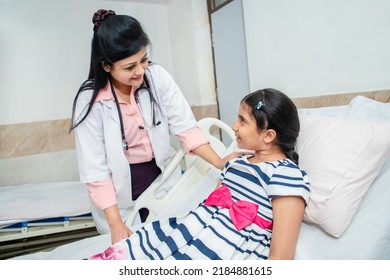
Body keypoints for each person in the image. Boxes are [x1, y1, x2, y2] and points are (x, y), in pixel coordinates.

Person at [70, 9, 239, 244]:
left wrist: (221, 162)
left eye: (143, 59)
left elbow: (187, 128)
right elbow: (95, 171)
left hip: (162, 181)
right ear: (106, 66)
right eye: (129, 67)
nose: (140, 71)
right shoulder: (90, 100)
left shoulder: (156, 77)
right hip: (118, 196)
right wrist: (116, 224)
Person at [86, 88, 311, 260]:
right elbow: (208, 209)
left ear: (269, 135)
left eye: (242, 121)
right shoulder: (235, 162)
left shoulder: (286, 177)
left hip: (227, 252)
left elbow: (280, 257)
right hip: (190, 235)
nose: (233, 126)